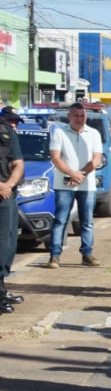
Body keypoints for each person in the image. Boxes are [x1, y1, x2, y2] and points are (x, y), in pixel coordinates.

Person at [47, 103, 103, 269]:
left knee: (87, 221)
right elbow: (56, 158)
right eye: (76, 116)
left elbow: (96, 159)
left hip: (86, 185)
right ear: (69, 117)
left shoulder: (93, 134)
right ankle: (54, 255)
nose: (79, 119)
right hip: (64, 184)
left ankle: (87, 253)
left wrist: (81, 175)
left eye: (82, 116)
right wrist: (72, 174)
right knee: (60, 220)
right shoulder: (59, 133)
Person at [0, 106, 26, 313]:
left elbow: (18, 163)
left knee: (7, 244)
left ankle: (1, 289)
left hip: (6, 195)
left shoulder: (7, 131)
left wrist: (8, 185)